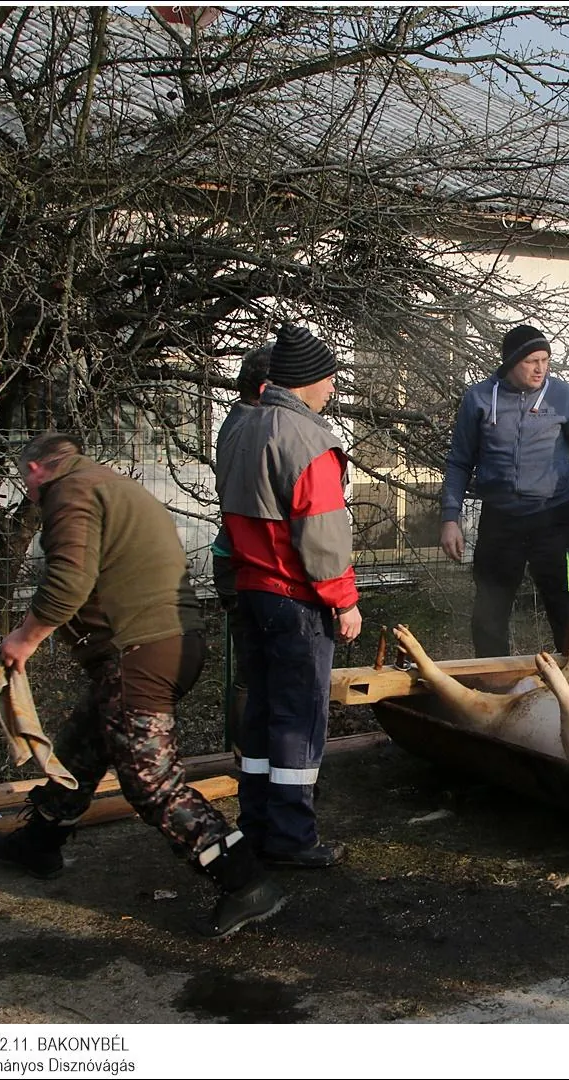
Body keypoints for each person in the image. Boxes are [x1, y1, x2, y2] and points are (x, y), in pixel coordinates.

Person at [0, 433, 283, 940]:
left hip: (140, 651)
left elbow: (69, 579)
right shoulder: (108, 484)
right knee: (83, 746)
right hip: (168, 642)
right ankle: (38, 842)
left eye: (24, 480)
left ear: (37, 469)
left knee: (151, 783)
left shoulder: (72, 491)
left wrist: (24, 638)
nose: (27, 493)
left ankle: (245, 881)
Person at [216, 323, 362, 869]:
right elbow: (321, 537)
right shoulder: (308, 440)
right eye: (329, 379)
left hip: (250, 592)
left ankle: (256, 823)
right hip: (296, 599)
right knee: (299, 719)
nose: (332, 390)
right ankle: (293, 837)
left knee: (260, 713)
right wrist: (344, 602)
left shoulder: (238, 429)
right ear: (308, 380)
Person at [439, 324, 569, 656]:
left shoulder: (563, 397)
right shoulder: (478, 400)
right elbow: (459, 461)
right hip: (500, 523)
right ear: (511, 362)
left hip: (553, 522)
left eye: (545, 360)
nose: (540, 368)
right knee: (488, 615)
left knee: (567, 610)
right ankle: (494, 694)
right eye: (532, 360)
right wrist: (449, 518)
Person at [210, 344, 271, 752]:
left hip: (231, 556)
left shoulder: (236, 420)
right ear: (267, 389)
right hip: (245, 561)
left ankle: (247, 754)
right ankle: (250, 756)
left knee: (252, 664)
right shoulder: (257, 428)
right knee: (257, 667)